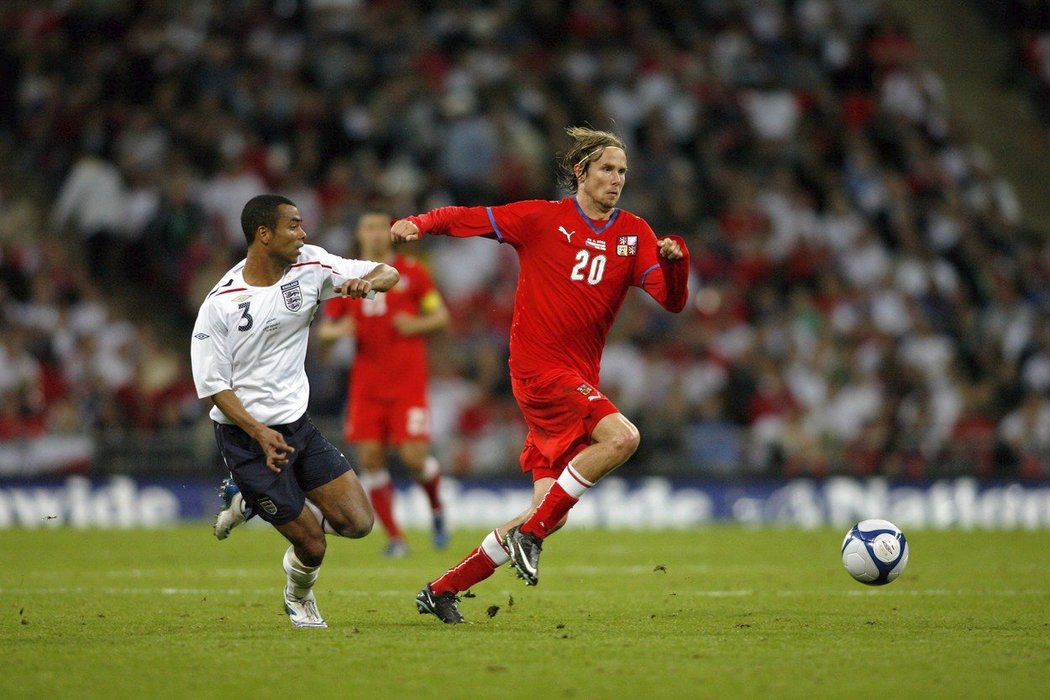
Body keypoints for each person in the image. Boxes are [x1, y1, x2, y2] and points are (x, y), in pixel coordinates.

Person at [391, 126, 690, 623]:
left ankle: (442, 589)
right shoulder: (541, 218)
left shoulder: (634, 232)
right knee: (622, 438)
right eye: (606, 169)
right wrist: (419, 223)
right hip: (537, 369)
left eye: (622, 172)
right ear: (581, 172)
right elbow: (468, 218)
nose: (616, 180)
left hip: (578, 378)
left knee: (550, 510)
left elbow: (671, 301)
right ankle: (529, 538)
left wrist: (675, 262)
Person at [191, 194, 399, 628]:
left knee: (359, 523)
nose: (303, 234)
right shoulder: (222, 303)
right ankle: (298, 597)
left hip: (298, 428)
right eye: (293, 226)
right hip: (246, 438)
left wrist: (371, 283)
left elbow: (389, 271)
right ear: (263, 235)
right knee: (313, 545)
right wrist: (258, 432)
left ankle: (249, 500)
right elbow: (214, 388)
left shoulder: (311, 264)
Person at [317, 209, 451, 558]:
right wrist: (338, 332)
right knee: (372, 460)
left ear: (390, 233)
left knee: (414, 458)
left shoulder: (413, 273)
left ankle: (437, 509)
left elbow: (440, 316)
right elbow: (326, 330)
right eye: (368, 227)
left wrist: (416, 325)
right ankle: (396, 538)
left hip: (407, 385)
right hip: (367, 387)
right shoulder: (348, 277)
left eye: (381, 227)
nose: (375, 234)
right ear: (359, 235)